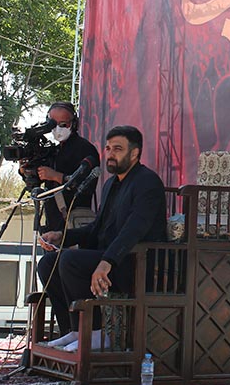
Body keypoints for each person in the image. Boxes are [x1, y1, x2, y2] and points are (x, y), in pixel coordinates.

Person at [36, 125, 166, 341]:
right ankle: (72, 332)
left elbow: (134, 231)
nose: (111, 154)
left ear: (134, 153)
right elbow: (97, 229)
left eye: (118, 149)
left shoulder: (147, 182)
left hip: (135, 263)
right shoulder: (110, 184)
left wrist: (107, 262)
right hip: (110, 259)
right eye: (108, 148)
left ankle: (94, 334)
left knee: (70, 261)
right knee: (48, 263)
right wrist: (62, 236)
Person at [20, 102, 100, 234]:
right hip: (52, 223)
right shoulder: (53, 150)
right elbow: (35, 182)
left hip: (74, 224)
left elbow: (86, 187)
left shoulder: (85, 148)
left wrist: (55, 176)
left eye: (63, 124)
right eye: (53, 124)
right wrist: (25, 170)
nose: (58, 128)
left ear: (74, 124)